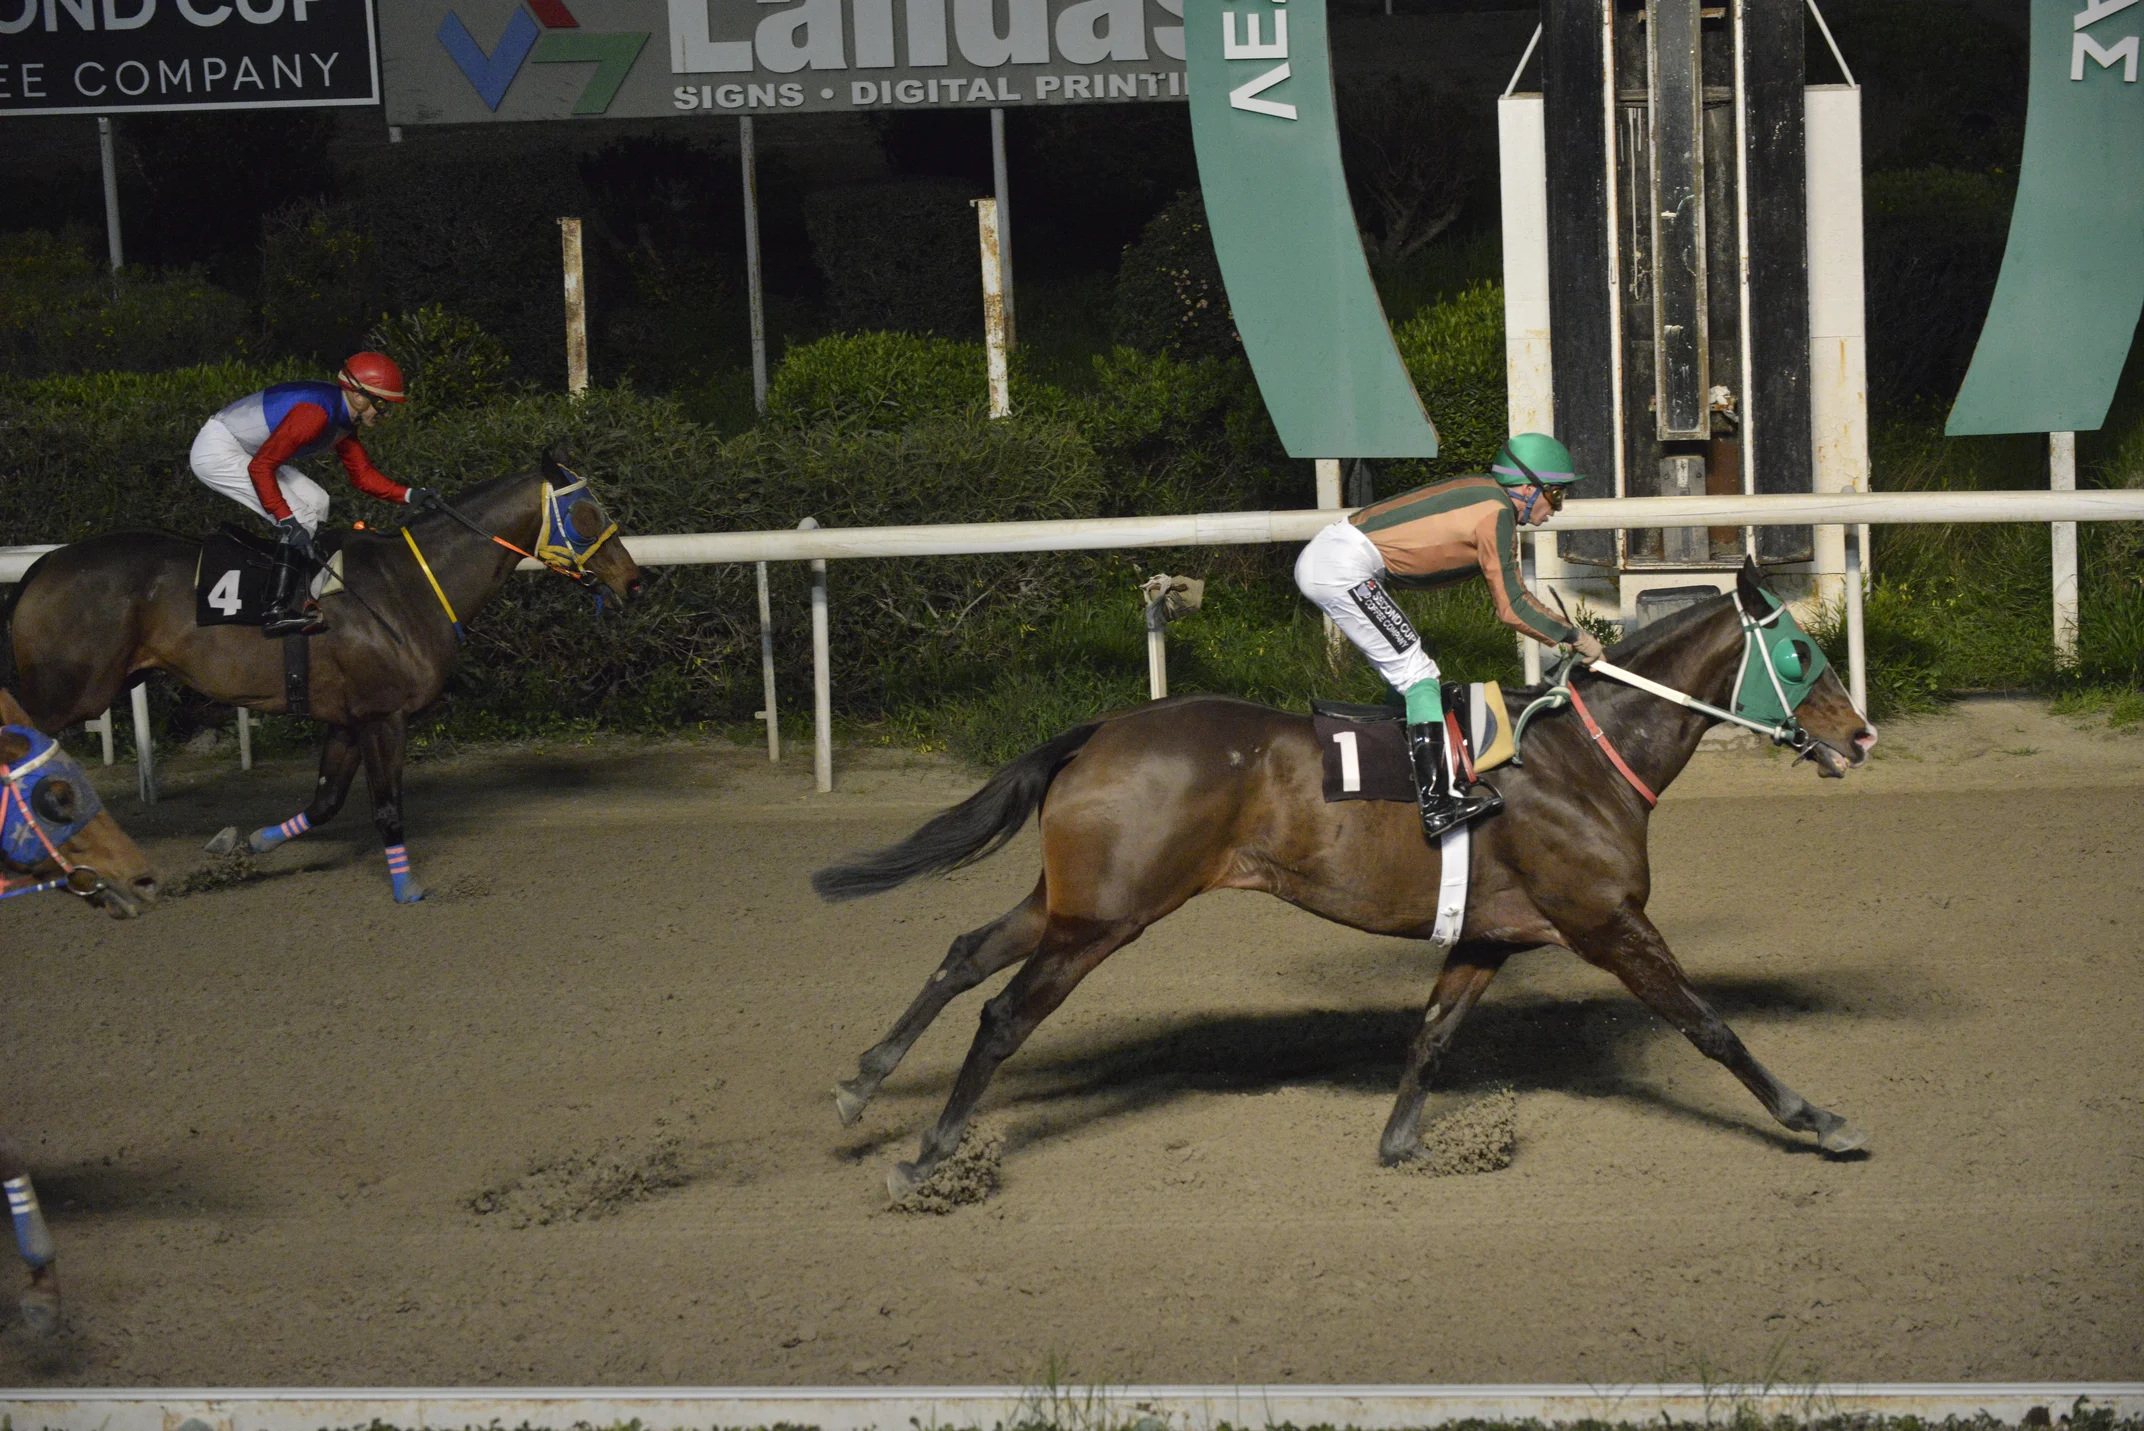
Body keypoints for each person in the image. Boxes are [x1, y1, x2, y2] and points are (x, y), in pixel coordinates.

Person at [1295, 432, 1606, 840]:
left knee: (1408, 667)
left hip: (1339, 560)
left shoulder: (1487, 495)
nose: (1557, 509)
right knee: (1418, 674)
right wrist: (1576, 637)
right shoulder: (1496, 512)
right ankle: (1436, 804)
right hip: (1341, 567)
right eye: (1556, 495)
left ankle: (1406, 764)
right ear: (1528, 489)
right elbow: (1513, 607)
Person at [188, 352, 440, 637]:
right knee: (300, 518)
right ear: (358, 396)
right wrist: (286, 519)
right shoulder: (315, 414)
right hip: (218, 451)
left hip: (247, 450)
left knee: (318, 501)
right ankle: (275, 611)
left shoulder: (343, 416)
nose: (385, 414)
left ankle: (298, 582)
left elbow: (362, 476)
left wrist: (410, 495)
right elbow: (260, 468)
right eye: (381, 404)